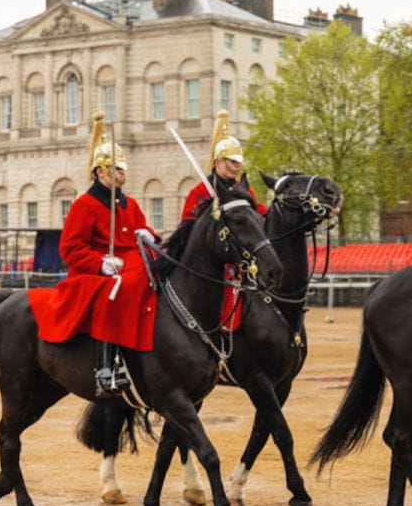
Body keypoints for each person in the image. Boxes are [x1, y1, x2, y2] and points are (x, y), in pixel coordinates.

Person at [29, 110, 159, 396]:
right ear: (101, 172)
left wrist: (149, 236)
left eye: (123, 170)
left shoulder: (130, 204)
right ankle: (105, 367)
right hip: (95, 274)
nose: (123, 174)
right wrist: (101, 263)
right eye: (117, 169)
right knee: (115, 291)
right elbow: (70, 248)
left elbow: (141, 229)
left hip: (132, 265)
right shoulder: (84, 205)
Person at [180, 109, 267, 220]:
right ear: (218, 163)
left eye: (239, 162)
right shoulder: (200, 191)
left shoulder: (244, 190)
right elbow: (187, 226)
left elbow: (262, 215)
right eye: (233, 161)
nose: (238, 166)